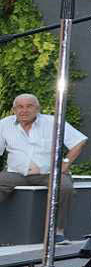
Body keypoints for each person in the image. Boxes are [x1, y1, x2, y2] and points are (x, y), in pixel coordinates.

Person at [0, 93, 86, 242]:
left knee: (65, 187)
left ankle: (57, 232)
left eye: (29, 106)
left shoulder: (52, 122)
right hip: (16, 174)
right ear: (14, 109)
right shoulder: (4, 124)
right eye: (20, 107)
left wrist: (65, 163)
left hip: (49, 173)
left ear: (37, 108)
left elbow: (79, 141)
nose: (24, 110)